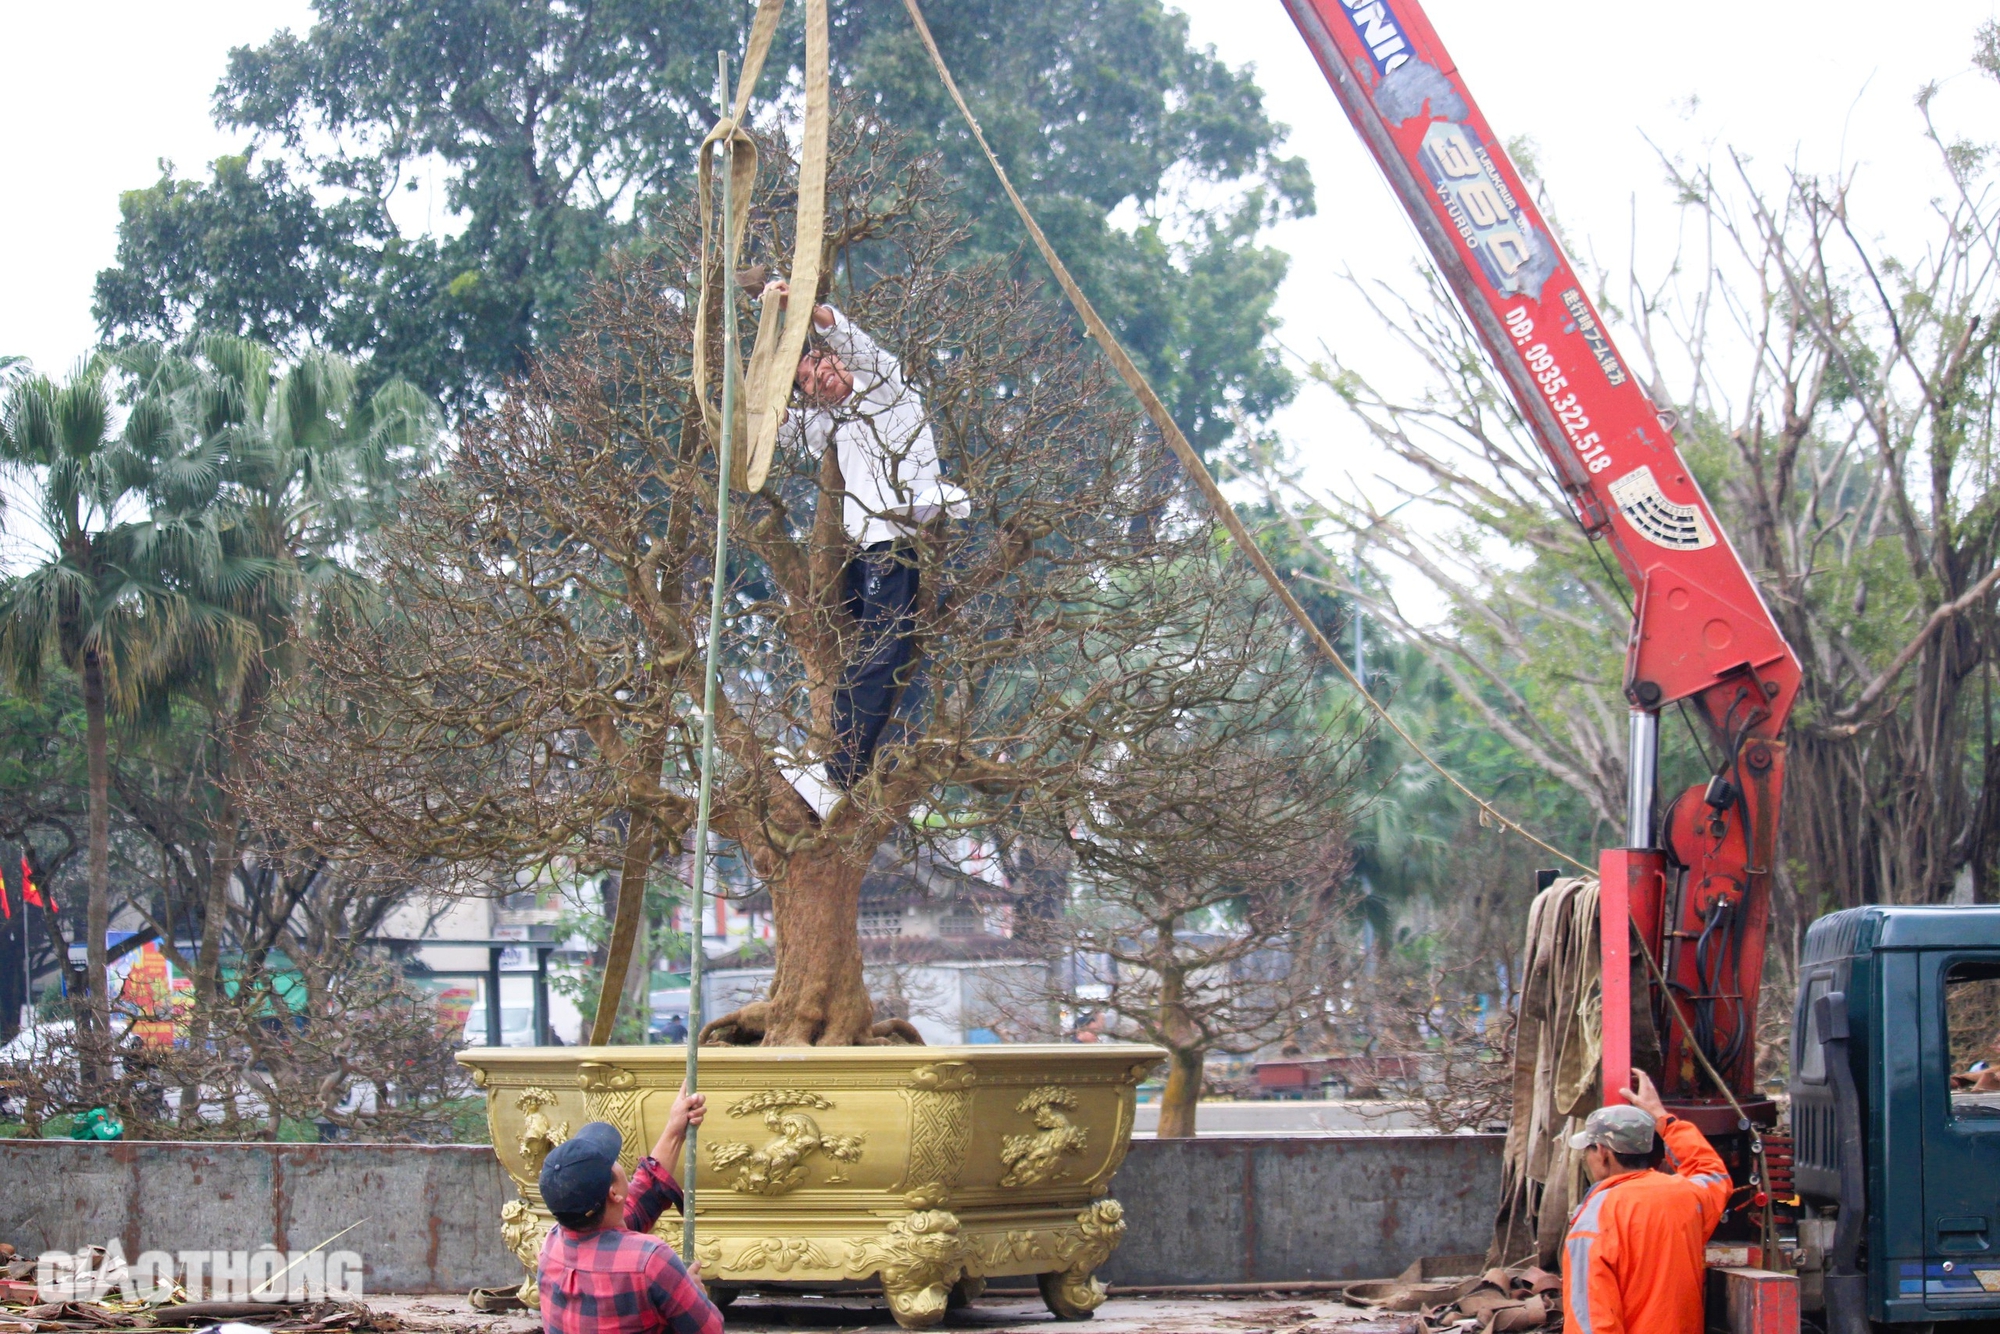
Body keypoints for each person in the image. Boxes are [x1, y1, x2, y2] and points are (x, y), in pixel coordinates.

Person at [762, 278, 968, 813]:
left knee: (879, 653)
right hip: (868, 549)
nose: (819, 383)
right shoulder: (833, 419)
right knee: (870, 643)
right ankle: (838, 767)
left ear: (834, 358)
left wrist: (806, 311)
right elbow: (782, 434)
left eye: (819, 369)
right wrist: (764, 371)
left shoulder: (886, 384)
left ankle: (836, 774)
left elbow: (858, 345)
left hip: (895, 539)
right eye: (807, 383)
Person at [537, 1085, 723, 1334]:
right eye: (613, 1161)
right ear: (613, 1193)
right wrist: (696, 1295)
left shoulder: (552, 1244)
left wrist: (675, 1130)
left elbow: (644, 1195)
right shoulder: (651, 1260)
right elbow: (710, 1330)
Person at [1561, 1069, 1730, 1334]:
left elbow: (1590, 1321)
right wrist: (1664, 1119)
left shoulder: (1595, 1218)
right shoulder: (1687, 1196)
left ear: (1603, 1153)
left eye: (1588, 1151)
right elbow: (1713, 1173)